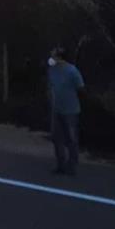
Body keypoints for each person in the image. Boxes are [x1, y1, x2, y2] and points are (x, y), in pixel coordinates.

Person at [47, 47, 84, 175]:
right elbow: (51, 85)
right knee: (57, 139)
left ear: (59, 57)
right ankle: (60, 165)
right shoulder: (52, 70)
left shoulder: (72, 70)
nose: (51, 58)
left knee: (71, 139)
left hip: (70, 110)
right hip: (56, 109)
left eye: (53, 56)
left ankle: (72, 166)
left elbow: (80, 87)